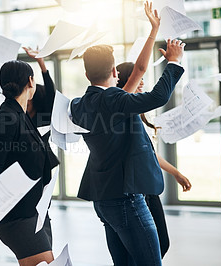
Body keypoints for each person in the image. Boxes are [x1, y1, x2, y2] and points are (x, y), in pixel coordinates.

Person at [69, 2, 186, 262]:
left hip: (103, 199)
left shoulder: (79, 104)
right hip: (126, 200)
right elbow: (158, 96)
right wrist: (174, 62)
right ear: (114, 72)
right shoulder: (116, 101)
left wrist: (153, 31)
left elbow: (139, 71)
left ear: (87, 73)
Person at [0, 60, 59, 266]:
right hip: (18, 215)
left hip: (35, 210)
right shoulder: (5, 118)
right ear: (30, 81)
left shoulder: (21, 115)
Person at [116, 61, 192, 258]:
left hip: (148, 189)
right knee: (149, 247)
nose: (142, 82)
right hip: (136, 190)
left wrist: (176, 173)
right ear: (127, 79)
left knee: (160, 244)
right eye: (138, 78)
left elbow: (149, 152)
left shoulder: (137, 110)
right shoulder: (121, 112)